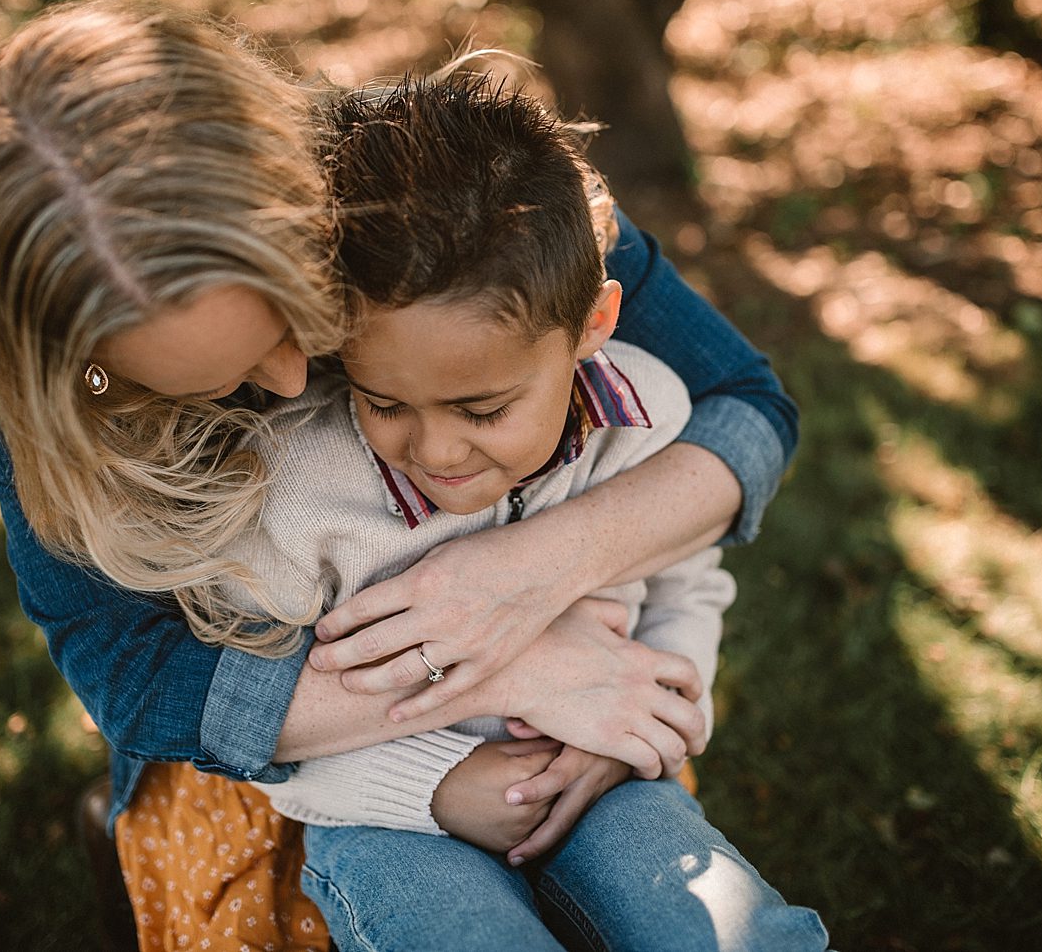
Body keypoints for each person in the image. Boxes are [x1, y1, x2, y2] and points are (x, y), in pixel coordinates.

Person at [0, 0, 804, 950]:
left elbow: (745, 409)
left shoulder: (446, 190)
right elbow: (137, 676)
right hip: (286, 729)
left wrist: (530, 576)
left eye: (297, 322)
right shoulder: (52, 362)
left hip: (577, 700)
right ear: (85, 369)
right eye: (224, 382)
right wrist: (496, 671)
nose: (296, 382)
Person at [191, 74, 828, 952]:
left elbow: (686, 587)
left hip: (608, 780)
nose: (438, 452)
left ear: (594, 322)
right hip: (386, 822)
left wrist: (649, 726)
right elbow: (268, 731)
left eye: (483, 410)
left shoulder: (651, 426)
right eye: (383, 402)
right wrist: (436, 786)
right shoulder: (300, 497)